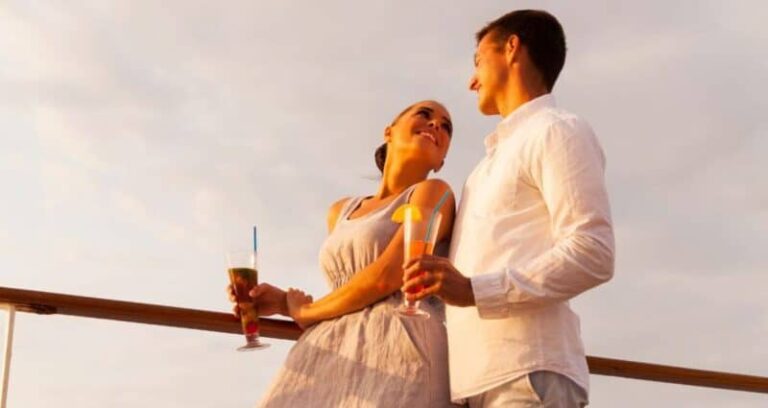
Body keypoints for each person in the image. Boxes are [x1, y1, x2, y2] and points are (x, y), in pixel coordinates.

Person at [403, 10, 615, 407]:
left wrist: (472, 289)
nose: (471, 80)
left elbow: (594, 252)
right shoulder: (483, 169)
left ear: (512, 48)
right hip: (469, 386)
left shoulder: (557, 129)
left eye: (478, 61)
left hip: (525, 378)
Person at [228, 100, 460, 407]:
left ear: (442, 160)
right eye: (425, 115)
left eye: (446, 127)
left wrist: (305, 312)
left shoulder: (434, 192)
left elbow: (386, 277)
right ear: (388, 132)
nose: (436, 126)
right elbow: (350, 289)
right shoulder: (340, 211)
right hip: (328, 350)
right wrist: (286, 303)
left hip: (401, 347)